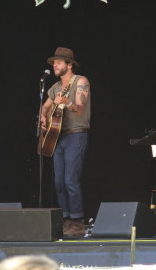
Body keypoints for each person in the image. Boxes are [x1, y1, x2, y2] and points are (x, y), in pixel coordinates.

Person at [40, 47, 90, 238]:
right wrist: (43, 118)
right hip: (57, 136)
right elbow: (45, 108)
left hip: (76, 135)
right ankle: (66, 220)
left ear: (70, 65)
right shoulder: (54, 87)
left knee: (70, 179)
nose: (54, 65)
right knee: (59, 181)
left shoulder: (80, 81)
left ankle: (77, 223)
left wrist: (66, 102)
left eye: (59, 62)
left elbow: (79, 108)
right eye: (54, 62)